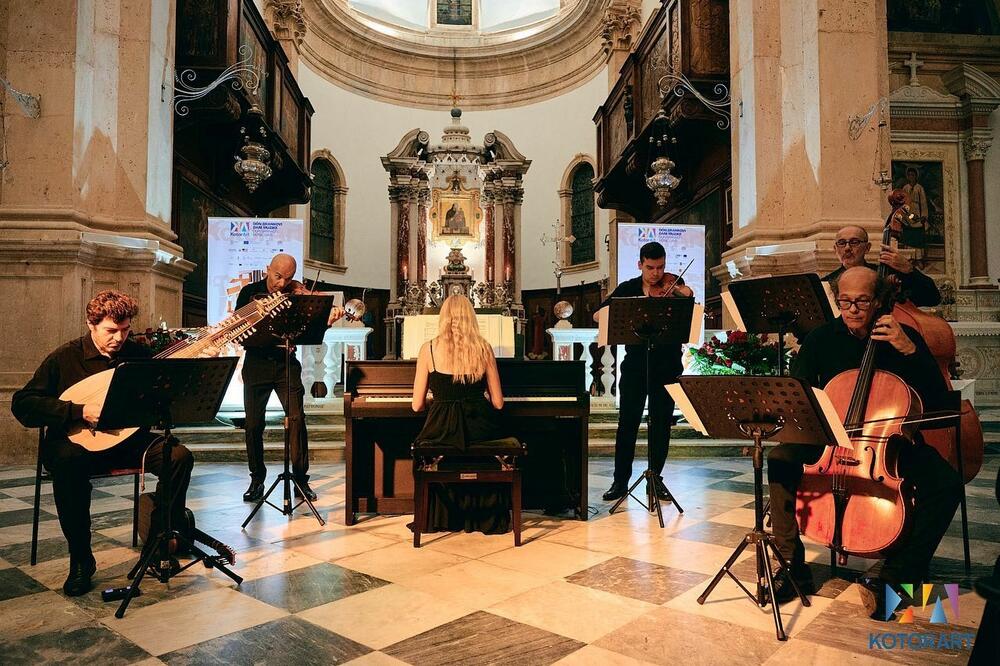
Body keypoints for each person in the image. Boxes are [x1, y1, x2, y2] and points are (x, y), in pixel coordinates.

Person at [767, 266, 962, 618]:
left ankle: (898, 575)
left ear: (878, 301)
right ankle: (792, 565)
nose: (853, 309)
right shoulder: (821, 338)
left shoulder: (903, 337)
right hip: (832, 441)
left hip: (887, 442)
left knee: (946, 483)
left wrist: (910, 351)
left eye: (862, 301)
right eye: (845, 302)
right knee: (781, 458)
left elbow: (936, 397)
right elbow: (800, 397)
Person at [11, 290, 194, 597]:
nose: (119, 338)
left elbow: (158, 397)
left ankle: (155, 546)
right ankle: (81, 559)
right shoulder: (65, 358)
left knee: (178, 456)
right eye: (111, 330)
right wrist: (78, 411)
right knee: (68, 463)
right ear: (91, 324)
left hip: (126, 442)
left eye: (125, 330)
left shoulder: (137, 355)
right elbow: (23, 403)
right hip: (76, 445)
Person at [236, 253, 344, 503]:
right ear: (268, 269)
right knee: (253, 424)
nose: (282, 284)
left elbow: (308, 329)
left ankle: (300, 480)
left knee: (297, 420)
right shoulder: (249, 293)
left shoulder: (296, 295)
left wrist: (325, 322)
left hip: (285, 363)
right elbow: (241, 327)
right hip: (256, 363)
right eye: (277, 276)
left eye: (288, 278)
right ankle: (257, 479)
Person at [595, 241, 694, 502]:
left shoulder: (674, 286)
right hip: (636, 366)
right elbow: (598, 315)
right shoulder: (628, 288)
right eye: (650, 267)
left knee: (661, 424)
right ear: (640, 264)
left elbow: (688, 297)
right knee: (627, 424)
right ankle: (620, 482)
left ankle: (655, 480)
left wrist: (679, 293)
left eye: (660, 267)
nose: (656, 274)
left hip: (668, 365)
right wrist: (622, 310)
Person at [411, 294, 513, 534]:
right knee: (494, 445)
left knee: (421, 451)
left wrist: (440, 398)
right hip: (479, 425)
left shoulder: (428, 349)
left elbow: (416, 406)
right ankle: (486, 519)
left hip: (441, 428)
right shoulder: (483, 348)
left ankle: (440, 517)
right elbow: (498, 403)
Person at [823, 224, 940, 307]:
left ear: (867, 248)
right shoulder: (826, 283)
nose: (847, 248)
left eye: (854, 242)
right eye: (842, 243)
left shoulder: (887, 275)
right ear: (835, 249)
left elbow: (932, 298)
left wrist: (909, 269)